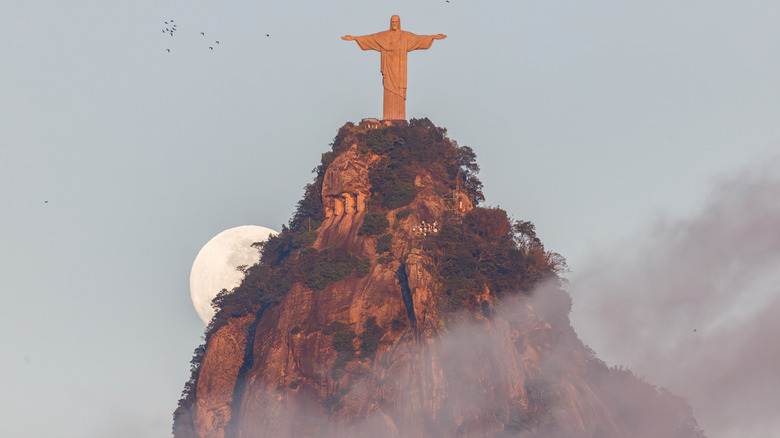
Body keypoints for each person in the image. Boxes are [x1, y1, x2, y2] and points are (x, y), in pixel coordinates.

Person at [342, 15, 446, 121]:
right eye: (393, 22)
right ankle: (388, 118)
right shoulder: (383, 36)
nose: (394, 24)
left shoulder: (405, 36)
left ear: (399, 23)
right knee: (388, 90)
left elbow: (418, 39)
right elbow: (371, 38)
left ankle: (399, 118)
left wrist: (433, 37)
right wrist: (355, 38)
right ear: (390, 23)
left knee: (399, 92)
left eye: (396, 22)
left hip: (400, 72)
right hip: (388, 69)